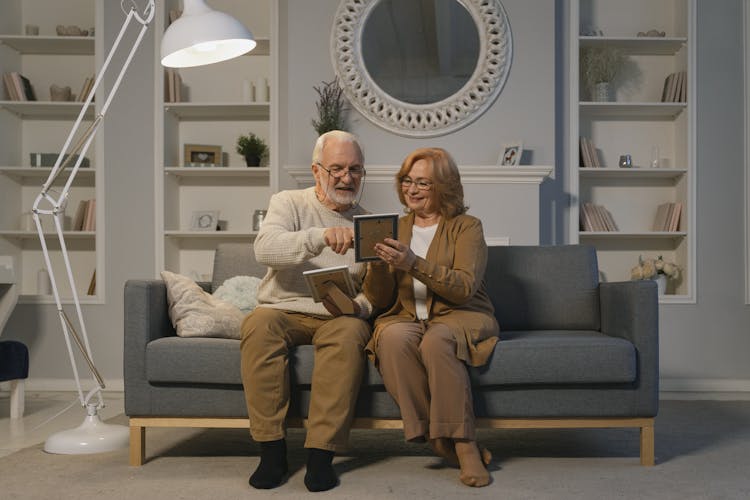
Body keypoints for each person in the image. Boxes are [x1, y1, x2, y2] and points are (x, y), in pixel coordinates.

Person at [240, 130, 374, 492]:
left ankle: (320, 456)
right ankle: (271, 452)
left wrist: (360, 307)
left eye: (356, 169)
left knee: (350, 335)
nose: (347, 178)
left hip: (337, 317)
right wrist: (319, 237)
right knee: (258, 325)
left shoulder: (369, 223)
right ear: (316, 171)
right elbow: (265, 249)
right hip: (283, 308)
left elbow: (376, 288)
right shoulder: (288, 202)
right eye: (337, 169)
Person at [363, 147, 500, 487]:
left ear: (444, 186)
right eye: (407, 181)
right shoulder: (394, 228)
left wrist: (413, 263)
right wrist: (377, 266)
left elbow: (464, 288)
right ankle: (435, 438)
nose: (411, 189)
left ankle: (465, 445)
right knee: (392, 337)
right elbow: (379, 301)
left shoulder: (467, 227)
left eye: (423, 183)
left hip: (462, 314)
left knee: (438, 339)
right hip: (406, 316)